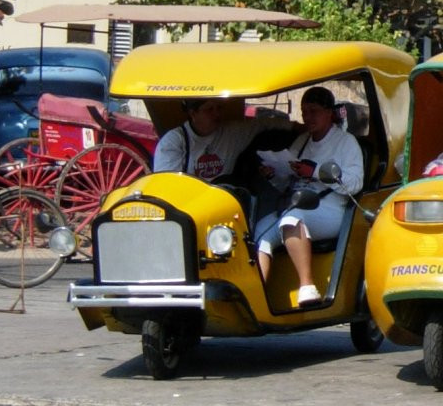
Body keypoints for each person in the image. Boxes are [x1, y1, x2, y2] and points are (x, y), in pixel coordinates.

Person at [254, 87, 364, 308]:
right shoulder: (303, 140)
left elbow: (354, 183)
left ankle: (307, 287)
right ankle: (257, 299)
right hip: (298, 201)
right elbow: (289, 180)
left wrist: (314, 172)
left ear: (329, 113)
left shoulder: (346, 142)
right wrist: (274, 175)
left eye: (313, 111)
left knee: (291, 220)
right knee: (260, 233)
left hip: (331, 207)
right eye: (304, 112)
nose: (307, 117)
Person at [152, 96, 256, 182]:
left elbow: (265, 124)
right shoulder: (174, 141)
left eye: (219, 108)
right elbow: (167, 183)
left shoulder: (233, 133)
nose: (217, 114)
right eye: (209, 109)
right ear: (193, 114)